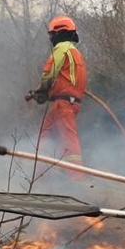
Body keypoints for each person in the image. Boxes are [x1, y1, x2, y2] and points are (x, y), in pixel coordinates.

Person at [28, 16, 88, 167]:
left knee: (68, 139)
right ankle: (42, 171)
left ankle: (77, 177)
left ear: (60, 33)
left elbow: (50, 72)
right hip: (69, 103)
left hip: (64, 105)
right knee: (46, 134)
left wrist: (43, 89)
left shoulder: (62, 48)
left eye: (52, 35)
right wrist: (49, 94)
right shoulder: (76, 54)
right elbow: (68, 82)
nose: (51, 38)